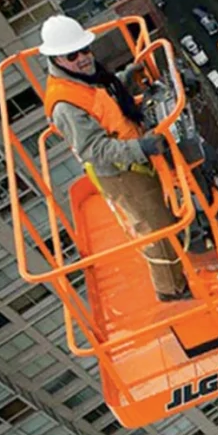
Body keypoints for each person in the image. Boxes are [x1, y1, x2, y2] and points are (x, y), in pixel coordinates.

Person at [39, 15, 190, 301]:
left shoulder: (87, 78)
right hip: (121, 171)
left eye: (85, 50)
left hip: (132, 155)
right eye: (73, 54)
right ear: (57, 59)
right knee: (157, 228)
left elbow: (105, 100)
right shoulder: (65, 105)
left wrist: (128, 79)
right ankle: (171, 290)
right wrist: (142, 149)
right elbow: (94, 151)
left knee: (168, 209)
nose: (83, 58)